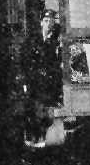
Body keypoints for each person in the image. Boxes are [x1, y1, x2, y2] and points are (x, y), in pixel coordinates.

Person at [24, 10, 62, 146]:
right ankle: (34, 139)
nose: (48, 24)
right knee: (34, 111)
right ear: (41, 23)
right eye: (45, 21)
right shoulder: (32, 40)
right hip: (34, 81)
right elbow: (25, 60)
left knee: (48, 113)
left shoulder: (57, 40)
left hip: (49, 82)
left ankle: (43, 139)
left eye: (51, 22)